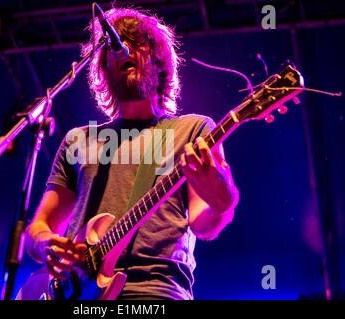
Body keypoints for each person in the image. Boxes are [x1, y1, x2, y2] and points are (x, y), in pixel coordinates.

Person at [24, 7, 239, 300]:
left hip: (154, 291)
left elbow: (204, 224)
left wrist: (224, 200)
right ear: (102, 70)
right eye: (112, 47)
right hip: (78, 293)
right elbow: (38, 227)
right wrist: (49, 245)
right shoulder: (79, 139)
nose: (122, 50)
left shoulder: (193, 131)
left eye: (138, 43)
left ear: (160, 61)